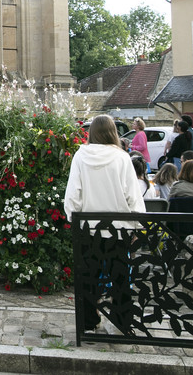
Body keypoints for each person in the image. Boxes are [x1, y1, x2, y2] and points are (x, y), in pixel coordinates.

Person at [63, 114, 145, 332]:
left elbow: (73, 194)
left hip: (89, 227)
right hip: (119, 227)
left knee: (88, 277)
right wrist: (137, 223)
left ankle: (89, 321)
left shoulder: (81, 157)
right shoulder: (121, 157)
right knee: (120, 277)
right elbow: (132, 194)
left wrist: (74, 217)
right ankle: (121, 319)